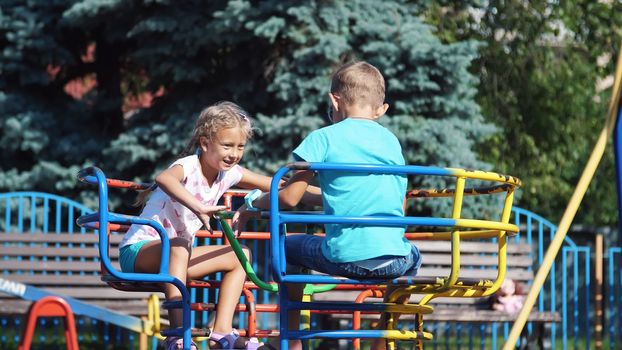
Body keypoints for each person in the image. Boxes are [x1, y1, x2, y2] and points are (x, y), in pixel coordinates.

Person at [234, 61, 421, 350]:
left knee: (286, 248)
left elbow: (288, 198)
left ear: (334, 100)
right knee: (414, 257)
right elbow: (362, 196)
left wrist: (251, 204)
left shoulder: (323, 138)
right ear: (380, 109)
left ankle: (293, 341)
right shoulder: (392, 142)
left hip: (345, 257)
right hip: (395, 261)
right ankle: (383, 340)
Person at [118, 101, 275, 350]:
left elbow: (278, 185)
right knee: (179, 245)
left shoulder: (230, 173)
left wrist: (323, 193)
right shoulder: (189, 166)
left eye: (240, 147)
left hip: (177, 259)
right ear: (205, 143)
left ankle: (221, 331)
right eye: (227, 145)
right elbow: (164, 178)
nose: (233, 153)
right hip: (139, 252)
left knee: (240, 256)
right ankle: (178, 335)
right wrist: (199, 207)